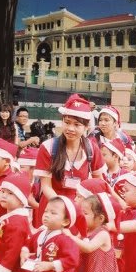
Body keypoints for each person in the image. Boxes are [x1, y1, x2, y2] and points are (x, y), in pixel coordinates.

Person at [33, 95, 103, 227]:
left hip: (79, 209)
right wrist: (62, 207)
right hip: (51, 207)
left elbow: (98, 183)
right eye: (67, 122)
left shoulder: (92, 149)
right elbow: (46, 186)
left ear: (86, 127)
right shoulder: (48, 147)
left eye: (77, 125)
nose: (70, 128)